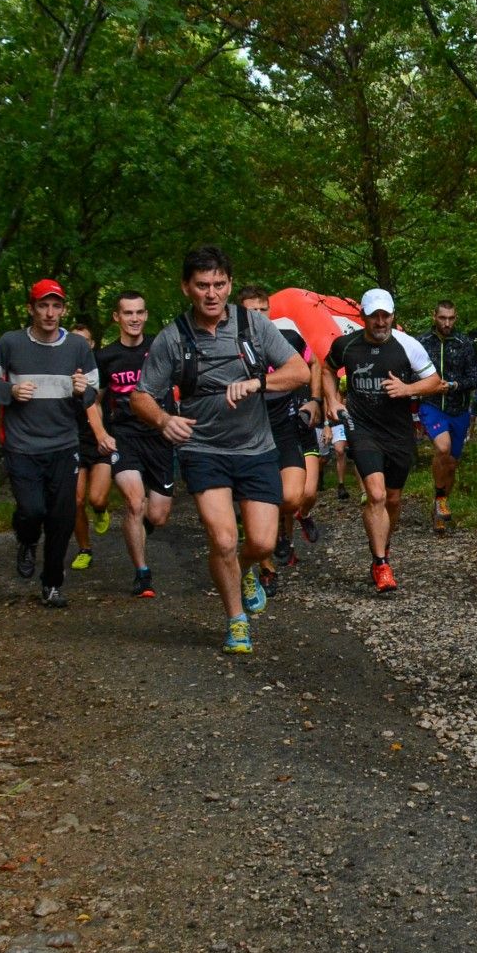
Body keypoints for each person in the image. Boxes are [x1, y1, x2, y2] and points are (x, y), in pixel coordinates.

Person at [132, 246, 309, 654]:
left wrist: (258, 383)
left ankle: (244, 571)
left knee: (262, 544)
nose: (211, 293)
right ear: (186, 288)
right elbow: (141, 396)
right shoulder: (172, 338)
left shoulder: (254, 325)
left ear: (229, 284)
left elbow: (299, 371)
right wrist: (163, 420)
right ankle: (236, 621)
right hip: (203, 448)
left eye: (219, 284)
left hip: (256, 447)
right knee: (224, 539)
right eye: (202, 285)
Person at [0, 279, 109, 607]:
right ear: (31, 309)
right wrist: (10, 392)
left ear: (63, 310)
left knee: (62, 519)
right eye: (43, 305)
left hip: (64, 445)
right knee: (32, 510)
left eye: (56, 306)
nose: (50, 313)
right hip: (22, 447)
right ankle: (26, 539)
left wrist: (83, 391)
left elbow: (93, 392)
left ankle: (52, 583)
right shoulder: (10, 343)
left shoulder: (78, 348)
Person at [318, 287, 444, 593]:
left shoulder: (407, 345)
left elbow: (434, 380)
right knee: (375, 494)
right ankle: (380, 564)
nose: (380, 321)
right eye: (374, 316)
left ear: (392, 315)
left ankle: (384, 549)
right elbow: (326, 369)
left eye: (385, 315)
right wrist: (332, 401)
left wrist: (407, 389)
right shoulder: (346, 345)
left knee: (393, 499)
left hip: (398, 431)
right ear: (363, 317)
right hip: (362, 428)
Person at [237, 285, 323, 586]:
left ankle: (282, 532)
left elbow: (312, 364)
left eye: (263, 310)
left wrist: (315, 399)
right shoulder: (230, 346)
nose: (258, 316)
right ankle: (266, 567)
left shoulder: (286, 339)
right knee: (260, 501)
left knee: (291, 497)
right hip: (249, 432)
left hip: (286, 427)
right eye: (251, 311)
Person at [96, 289, 170, 597]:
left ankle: (142, 527)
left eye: (139, 312)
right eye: (128, 313)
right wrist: (101, 433)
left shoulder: (160, 348)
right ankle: (142, 573)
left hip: (158, 437)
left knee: (158, 516)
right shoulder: (104, 356)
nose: (134, 319)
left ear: (146, 315)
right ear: (117, 317)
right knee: (134, 503)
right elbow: (94, 400)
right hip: (124, 436)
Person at [419, 300, 477, 534]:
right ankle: (439, 498)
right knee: (443, 448)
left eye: (451, 319)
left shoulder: (464, 343)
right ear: (433, 316)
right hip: (431, 405)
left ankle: (440, 508)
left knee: (452, 464)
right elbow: (410, 371)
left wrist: (455, 385)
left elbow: (475, 377)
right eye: (442, 318)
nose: (447, 323)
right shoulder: (422, 342)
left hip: (458, 409)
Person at [66, 323, 114, 571]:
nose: (80, 345)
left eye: (85, 340)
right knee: (75, 500)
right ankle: (85, 548)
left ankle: (101, 510)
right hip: (73, 441)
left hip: (100, 439)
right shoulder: (61, 368)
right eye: (75, 340)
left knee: (96, 498)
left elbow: (100, 401)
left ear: (92, 344)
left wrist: (105, 433)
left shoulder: (99, 368)